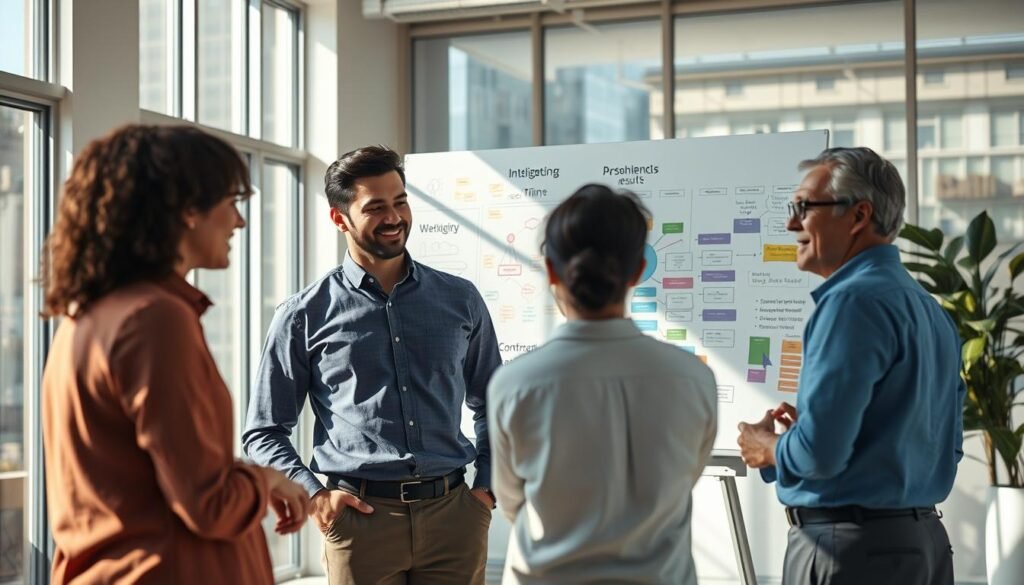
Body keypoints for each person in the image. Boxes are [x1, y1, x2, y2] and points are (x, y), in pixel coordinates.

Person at [40, 124, 309, 584]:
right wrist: (266, 480)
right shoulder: (156, 320)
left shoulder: (89, 314)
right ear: (188, 211)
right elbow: (210, 506)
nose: (239, 222)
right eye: (231, 204)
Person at [243, 145, 502, 584]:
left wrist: (487, 489)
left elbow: (496, 404)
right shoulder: (303, 314)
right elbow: (262, 431)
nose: (395, 217)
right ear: (339, 217)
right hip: (360, 523)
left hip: (454, 517)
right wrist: (315, 496)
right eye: (376, 207)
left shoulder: (461, 300)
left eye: (400, 201)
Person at [736, 147, 964, 585]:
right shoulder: (930, 311)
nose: (790, 224)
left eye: (804, 207)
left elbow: (820, 452)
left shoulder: (849, 302)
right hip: (924, 548)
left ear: (859, 215)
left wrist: (768, 448)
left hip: (850, 552)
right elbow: (942, 447)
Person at [488, 184, 718, 584]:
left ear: (551, 270)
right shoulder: (693, 378)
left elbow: (513, 502)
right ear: (637, 271)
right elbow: (686, 477)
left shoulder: (515, 383)